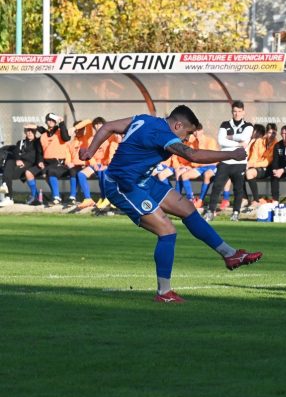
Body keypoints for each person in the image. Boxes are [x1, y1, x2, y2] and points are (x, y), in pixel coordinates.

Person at [79, 104, 263, 303]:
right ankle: (164, 293)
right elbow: (192, 155)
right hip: (123, 185)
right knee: (167, 231)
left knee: (187, 209)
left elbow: (108, 127)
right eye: (188, 133)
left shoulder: (145, 119)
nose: (187, 138)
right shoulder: (162, 134)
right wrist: (231, 154)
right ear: (177, 126)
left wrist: (90, 151)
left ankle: (230, 254)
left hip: (143, 180)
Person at [203, 100, 253, 222]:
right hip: (225, 161)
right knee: (217, 186)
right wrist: (238, 143)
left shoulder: (248, 126)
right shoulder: (225, 124)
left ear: (243, 112)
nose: (237, 114)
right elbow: (221, 141)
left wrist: (229, 137)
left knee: (238, 189)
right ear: (232, 112)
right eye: (235, 111)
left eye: (239, 111)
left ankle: (235, 213)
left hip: (239, 162)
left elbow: (245, 140)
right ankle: (211, 211)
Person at [25, 113, 71, 205]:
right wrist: (40, 161)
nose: (50, 122)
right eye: (49, 120)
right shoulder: (43, 135)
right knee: (28, 173)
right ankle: (35, 196)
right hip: (46, 162)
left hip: (58, 162)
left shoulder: (60, 131)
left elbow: (66, 138)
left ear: (55, 121)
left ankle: (56, 197)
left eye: (53, 120)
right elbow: (40, 152)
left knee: (48, 173)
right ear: (46, 121)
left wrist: (61, 123)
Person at [0, 123, 42, 207]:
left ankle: (8, 195)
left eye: (32, 131)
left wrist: (36, 127)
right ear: (25, 132)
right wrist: (18, 159)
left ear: (35, 132)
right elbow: (15, 152)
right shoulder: (21, 142)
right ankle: (8, 197)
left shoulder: (38, 142)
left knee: (6, 173)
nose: (30, 132)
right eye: (28, 131)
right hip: (18, 165)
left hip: (30, 165)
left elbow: (32, 157)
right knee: (10, 160)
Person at [179, 128, 219, 208]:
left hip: (212, 165)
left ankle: (201, 200)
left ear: (202, 130)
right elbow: (191, 157)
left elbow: (211, 157)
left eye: (198, 130)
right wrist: (189, 166)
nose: (196, 133)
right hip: (200, 167)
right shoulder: (192, 142)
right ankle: (191, 199)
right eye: (194, 131)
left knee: (207, 175)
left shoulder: (210, 140)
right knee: (184, 175)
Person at [245, 123, 278, 207]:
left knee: (249, 173)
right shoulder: (259, 141)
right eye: (270, 133)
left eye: (274, 133)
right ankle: (244, 198)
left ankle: (256, 200)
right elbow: (253, 156)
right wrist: (250, 165)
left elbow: (267, 162)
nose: (272, 135)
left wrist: (252, 165)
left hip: (268, 168)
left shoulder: (276, 144)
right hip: (257, 167)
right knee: (238, 173)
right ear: (266, 133)